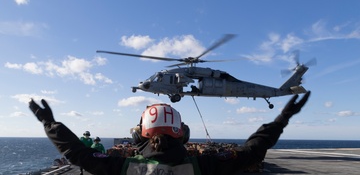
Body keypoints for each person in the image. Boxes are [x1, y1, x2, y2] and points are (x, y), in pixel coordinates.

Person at [29, 91, 310, 175]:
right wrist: (283, 117)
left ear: (139, 136)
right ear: (183, 134)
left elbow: (77, 153)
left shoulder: (121, 166)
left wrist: (50, 123)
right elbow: (252, 150)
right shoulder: (206, 165)